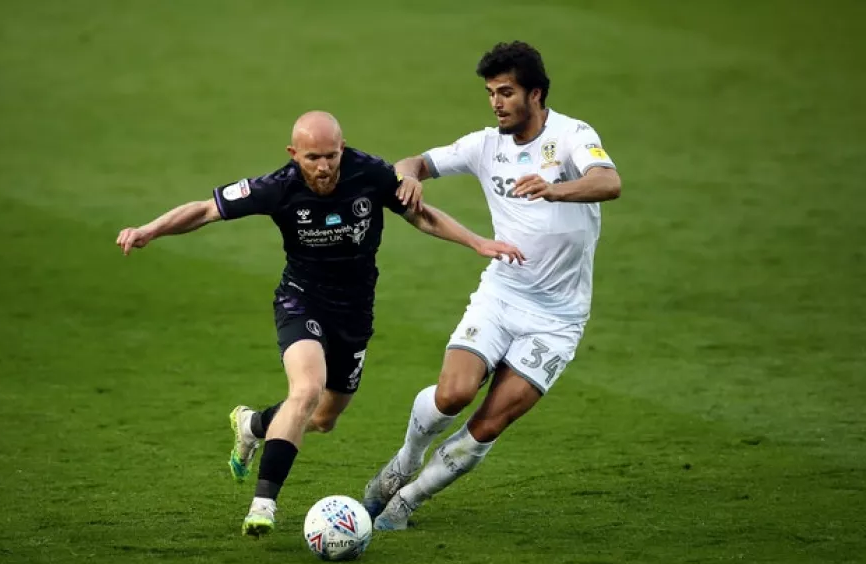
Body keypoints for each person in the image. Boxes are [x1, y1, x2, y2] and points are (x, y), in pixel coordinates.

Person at [115, 111, 524, 537]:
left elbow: (421, 215)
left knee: (325, 417)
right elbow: (204, 211)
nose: (325, 166)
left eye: (331, 155)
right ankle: (263, 505)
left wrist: (477, 241)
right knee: (306, 389)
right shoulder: (278, 186)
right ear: (294, 155)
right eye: (313, 158)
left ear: (342, 149)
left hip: (354, 313)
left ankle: (253, 425)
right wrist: (149, 230)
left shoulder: (369, 173)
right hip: (301, 302)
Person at [362, 41, 622, 530]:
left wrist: (555, 188)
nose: (496, 103)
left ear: (536, 94)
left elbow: (609, 181)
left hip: (558, 318)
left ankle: (406, 503)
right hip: (503, 294)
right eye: (490, 93)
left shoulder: (572, 137)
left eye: (506, 92)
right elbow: (413, 162)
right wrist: (407, 177)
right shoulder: (485, 145)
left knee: (487, 424)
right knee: (452, 395)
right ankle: (402, 463)